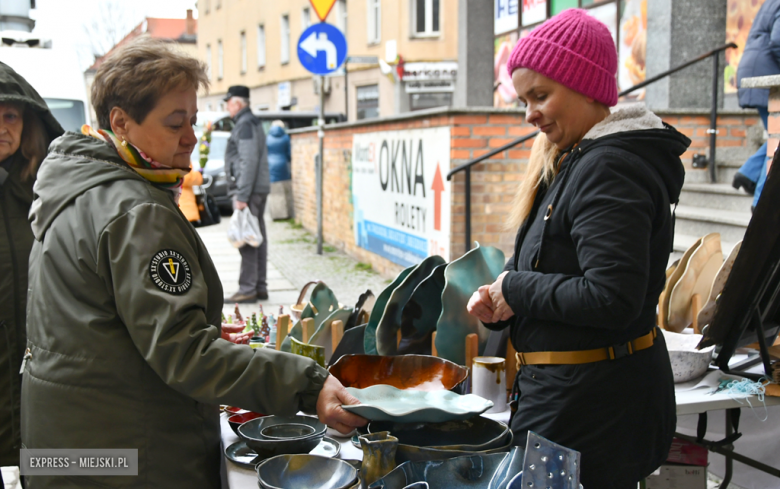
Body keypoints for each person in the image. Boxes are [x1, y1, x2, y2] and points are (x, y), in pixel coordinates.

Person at [21, 38, 365, 489]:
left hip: (72, 452)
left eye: (193, 121)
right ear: (120, 122)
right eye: (174, 123)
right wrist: (306, 383)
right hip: (130, 456)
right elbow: (185, 354)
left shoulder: (76, 188)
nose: (191, 137)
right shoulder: (134, 212)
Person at [466, 10, 686, 488]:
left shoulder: (610, 168)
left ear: (587, 87)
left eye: (540, 96)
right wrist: (499, 299)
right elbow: (547, 259)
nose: (530, 114)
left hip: (590, 412)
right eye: (525, 99)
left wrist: (516, 289)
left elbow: (611, 296)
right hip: (571, 403)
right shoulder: (579, 159)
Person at [0, 61, 63, 489]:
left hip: (41, 368)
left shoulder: (49, 193)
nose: (2, 126)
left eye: (10, 115)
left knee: (49, 467)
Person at [223, 85, 270, 303]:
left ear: (236, 103)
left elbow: (248, 161)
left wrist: (241, 195)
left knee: (248, 238)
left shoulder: (245, 124)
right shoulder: (250, 122)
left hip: (249, 191)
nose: (226, 107)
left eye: (228, 102)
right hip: (256, 188)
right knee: (256, 237)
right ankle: (259, 287)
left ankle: (248, 288)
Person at [733, 0, 780, 207]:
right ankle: (761, 200)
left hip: (754, 66)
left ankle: (749, 172)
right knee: (777, 138)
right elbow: (778, 40)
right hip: (767, 70)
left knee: (776, 133)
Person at [267, 119, 294, 220]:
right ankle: (285, 214)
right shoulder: (286, 138)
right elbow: (289, 154)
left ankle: (275, 214)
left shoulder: (268, 138)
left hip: (271, 165)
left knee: (273, 191)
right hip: (283, 165)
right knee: (284, 190)